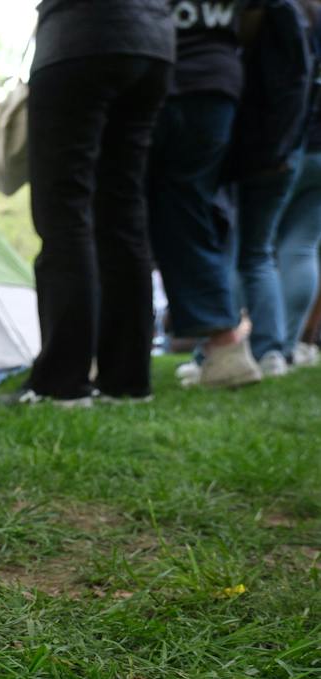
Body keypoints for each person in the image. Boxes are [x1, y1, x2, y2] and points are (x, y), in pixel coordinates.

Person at [19, 0, 174, 406]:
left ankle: (61, 382)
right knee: (124, 210)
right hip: (153, 43)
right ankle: (127, 381)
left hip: (78, 36)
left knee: (63, 209)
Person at [148, 0, 263, 390]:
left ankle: (222, 344)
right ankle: (224, 347)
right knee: (191, 207)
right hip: (218, 84)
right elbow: (254, 17)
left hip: (161, 74)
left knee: (139, 211)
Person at [230, 0, 314, 379]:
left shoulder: (281, 12)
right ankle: (279, 350)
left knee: (242, 249)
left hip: (275, 144)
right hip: (300, 145)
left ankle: (223, 351)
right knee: (294, 248)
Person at [275, 0, 321, 369]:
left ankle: (262, 346)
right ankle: (288, 347)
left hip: (290, 143)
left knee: (254, 250)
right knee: (302, 248)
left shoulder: (293, 12)